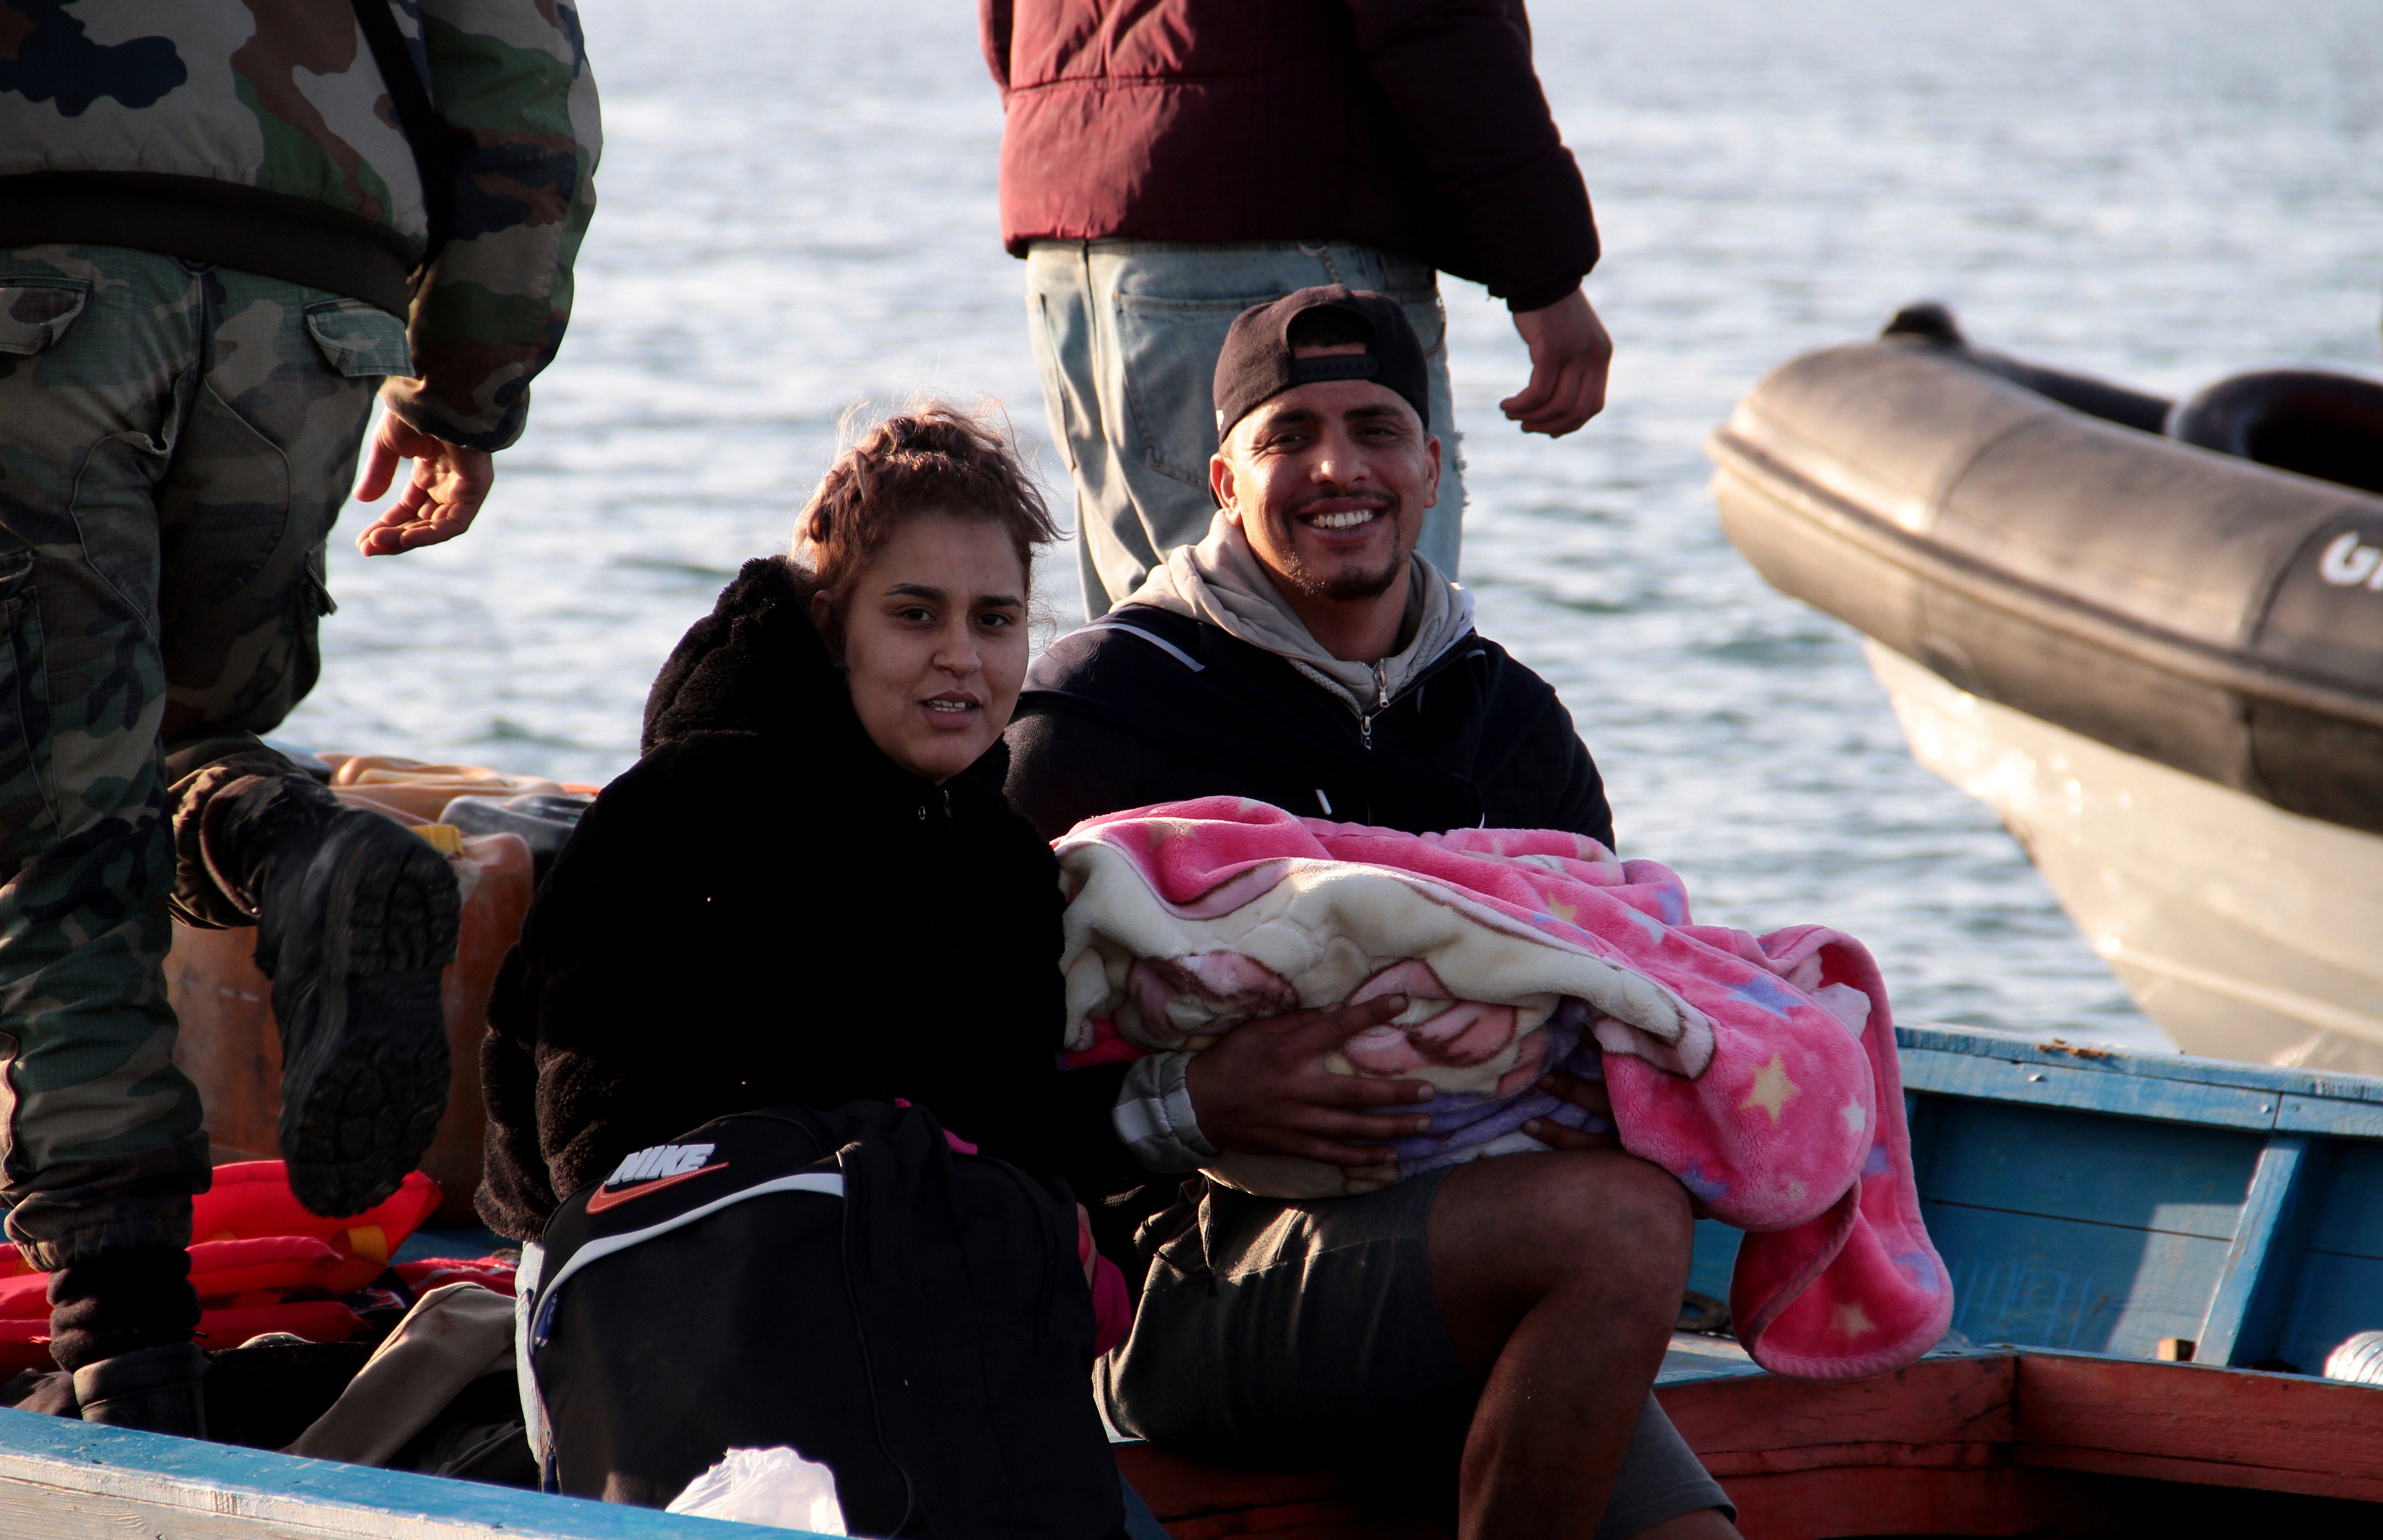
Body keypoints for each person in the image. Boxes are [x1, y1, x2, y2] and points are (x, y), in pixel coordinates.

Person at [1006, 289, 1739, 1539]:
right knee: (1621, 1227)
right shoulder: (1104, 711)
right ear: (1223, 479)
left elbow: (1611, 1009)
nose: (1337, 468)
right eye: (1288, 435)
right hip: (1181, 1279)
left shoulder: (1508, 723)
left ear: (1432, 469)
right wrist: (1189, 1105)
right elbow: (951, 1069)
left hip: (1485, 1248)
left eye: (1376, 428)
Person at [0, 0, 598, 1433]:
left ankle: (122, 1353)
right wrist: (464, 389)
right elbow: (525, 71)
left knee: (57, 827)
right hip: (313, 292)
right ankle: (292, 854)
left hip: (41, 261)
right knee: (165, 743)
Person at [476, 406, 1149, 1444]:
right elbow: (596, 1158)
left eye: (995, 620)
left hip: (923, 1310)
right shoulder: (692, 805)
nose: (960, 659)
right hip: (653, 1319)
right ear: (834, 628)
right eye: (915, 616)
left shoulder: (1000, 856)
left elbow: (1016, 1131)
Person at [980, 0, 1614, 616]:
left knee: (1154, 669)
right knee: (1357, 654)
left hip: (1071, 221)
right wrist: (1543, 268)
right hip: (1271, 203)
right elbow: (1427, 15)